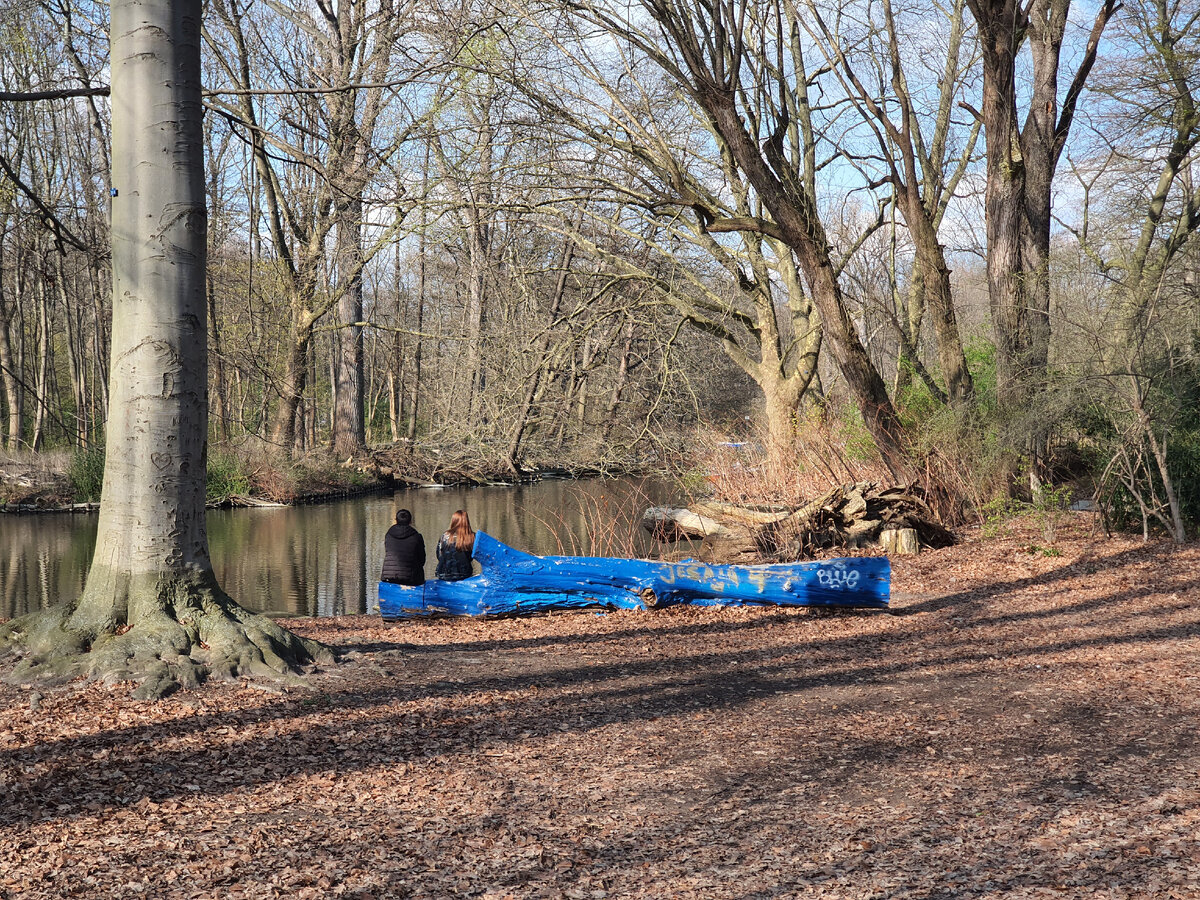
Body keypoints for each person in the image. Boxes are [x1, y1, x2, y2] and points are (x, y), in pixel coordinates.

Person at [381, 508, 425, 586]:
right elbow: (422, 560)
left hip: (389, 575)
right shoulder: (416, 536)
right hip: (411, 578)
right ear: (410, 521)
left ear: (396, 520)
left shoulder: (388, 535)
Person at [435, 509, 475, 581]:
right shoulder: (472, 537)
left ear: (453, 521)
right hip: (464, 574)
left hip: (443, 573)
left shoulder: (445, 536)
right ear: (467, 521)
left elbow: (439, 555)